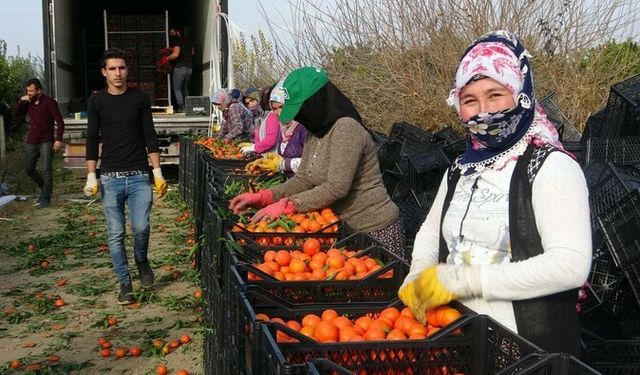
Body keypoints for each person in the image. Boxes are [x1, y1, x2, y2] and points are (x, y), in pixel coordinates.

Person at [397, 30, 591, 356]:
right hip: (460, 337)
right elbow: (430, 233)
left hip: (527, 351)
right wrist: (417, 274)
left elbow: (570, 265)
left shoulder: (550, 168)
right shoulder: (461, 168)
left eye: (496, 95)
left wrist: (466, 281)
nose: (483, 111)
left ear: (520, 94)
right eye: (470, 100)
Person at [229, 67, 405, 257]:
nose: (298, 118)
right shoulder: (315, 132)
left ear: (316, 101)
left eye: (301, 110)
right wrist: (266, 196)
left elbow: (337, 186)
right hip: (343, 230)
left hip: (374, 230)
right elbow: (303, 179)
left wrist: (289, 205)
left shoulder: (346, 129)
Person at [83, 48, 168, 305]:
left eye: (121, 68)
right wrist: (91, 175)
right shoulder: (97, 101)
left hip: (139, 175)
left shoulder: (139, 98)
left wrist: (157, 171)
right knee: (116, 233)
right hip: (111, 177)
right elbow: (91, 138)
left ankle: (141, 260)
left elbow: (149, 134)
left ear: (127, 70)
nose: (118, 73)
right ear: (104, 72)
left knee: (141, 227)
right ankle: (124, 282)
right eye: (112, 69)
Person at [12, 78, 65, 208]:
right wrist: (21, 101)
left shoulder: (50, 102)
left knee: (47, 169)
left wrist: (58, 139)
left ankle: (46, 197)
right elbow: (14, 114)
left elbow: (60, 122)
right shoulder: (27, 103)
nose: (29, 93)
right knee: (29, 169)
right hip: (31, 141)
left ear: (39, 90)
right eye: (27, 90)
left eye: (31, 91)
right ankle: (44, 186)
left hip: (46, 141)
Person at [244, 81, 307, 175]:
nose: (279, 112)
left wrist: (282, 164)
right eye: (275, 108)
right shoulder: (284, 129)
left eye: (282, 107)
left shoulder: (304, 129)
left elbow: (313, 165)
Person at [240, 83, 282, 156]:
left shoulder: (272, 115)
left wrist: (253, 147)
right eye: (247, 103)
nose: (250, 104)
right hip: (265, 154)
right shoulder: (263, 115)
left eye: (252, 100)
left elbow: (270, 140)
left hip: (272, 156)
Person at [162, 26, 194, 112]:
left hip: (180, 67)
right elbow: (192, 52)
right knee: (185, 88)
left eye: (172, 32)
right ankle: (188, 107)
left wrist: (167, 58)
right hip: (189, 68)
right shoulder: (188, 40)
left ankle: (181, 108)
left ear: (178, 31)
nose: (170, 34)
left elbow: (176, 54)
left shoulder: (177, 40)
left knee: (177, 88)